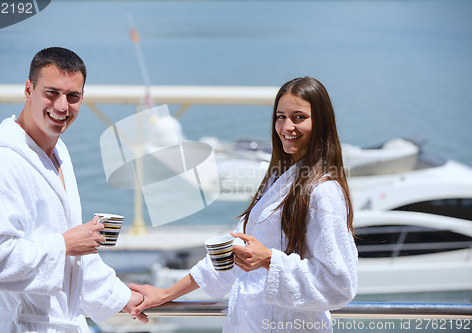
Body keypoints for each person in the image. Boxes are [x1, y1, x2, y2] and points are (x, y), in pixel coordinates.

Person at [128, 77, 358, 332]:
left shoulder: (323, 192)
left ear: (321, 123)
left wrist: (270, 260)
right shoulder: (277, 178)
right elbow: (232, 258)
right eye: (280, 116)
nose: (286, 126)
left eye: (299, 117)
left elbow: (340, 284)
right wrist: (166, 293)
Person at [0, 47, 144, 332]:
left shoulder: (58, 154)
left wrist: (126, 297)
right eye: (52, 93)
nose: (62, 106)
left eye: (73, 96)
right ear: (29, 89)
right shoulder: (0, 161)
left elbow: (72, 264)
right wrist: (64, 244)